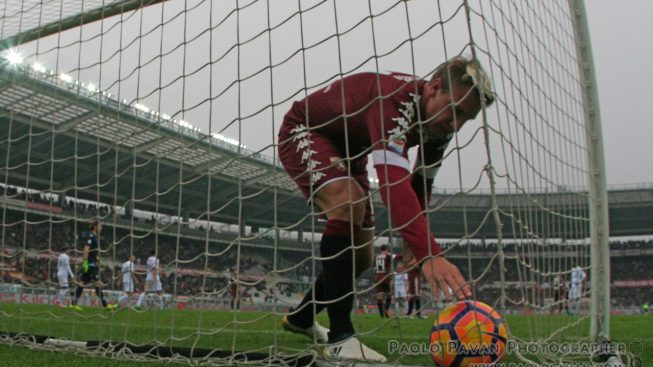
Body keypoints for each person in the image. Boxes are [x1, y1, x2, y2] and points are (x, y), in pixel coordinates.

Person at [278, 56, 492, 362]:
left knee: (361, 257)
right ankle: (341, 337)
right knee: (347, 199)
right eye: (455, 110)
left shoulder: (440, 127)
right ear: (433, 88)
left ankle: (301, 317)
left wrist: (413, 243)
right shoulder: (394, 102)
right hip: (307, 131)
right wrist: (430, 252)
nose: (456, 124)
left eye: (466, 119)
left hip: (352, 154)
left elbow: (421, 182)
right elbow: (393, 183)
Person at [71, 221, 116, 311]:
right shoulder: (91, 235)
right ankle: (105, 305)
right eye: (100, 225)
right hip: (90, 264)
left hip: (92, 262)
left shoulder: (94, 236)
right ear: (95, 227)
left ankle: (73, 304)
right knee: (97, 283)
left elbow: (92, 251)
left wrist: (97, 259)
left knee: (83, 283)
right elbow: (86, 248)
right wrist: (85, 262)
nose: (101, 227)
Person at [374, 245, 394, 318]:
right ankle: (386, 309)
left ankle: (381, 315)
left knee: (379, 296)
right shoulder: (387, 256)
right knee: (389, 293)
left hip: (378, 277)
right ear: (387, 249)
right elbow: (397, 257)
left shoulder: (377, 256)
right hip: (385, 276)